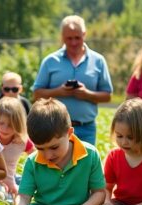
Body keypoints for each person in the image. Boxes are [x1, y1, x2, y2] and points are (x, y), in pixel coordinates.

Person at [7, 98, 106, 205]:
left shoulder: (90, 155)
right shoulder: (32, 161)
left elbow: (99, 193)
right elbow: (24, 195)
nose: (48, 155)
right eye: (40, 148)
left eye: (54, 147)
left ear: (69, 133)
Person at [32, 15, 112, 145]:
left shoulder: (98, 61)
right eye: (69, 38)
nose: (73, 42)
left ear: (84, 34)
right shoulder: (50, 61)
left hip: (86, 128)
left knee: (85, 165)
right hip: (55, 128)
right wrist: (59, 92)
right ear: (62, 36)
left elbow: (107, 96)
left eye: (77, 38)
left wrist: (87, 94)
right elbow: (36, 94)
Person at [0, 97, 33, 198]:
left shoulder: (22, 141)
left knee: (22, 196)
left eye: (10, 125)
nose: (4, 129)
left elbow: (36, 158)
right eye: (1, 123)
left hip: (10, 181)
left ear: (19, 125)